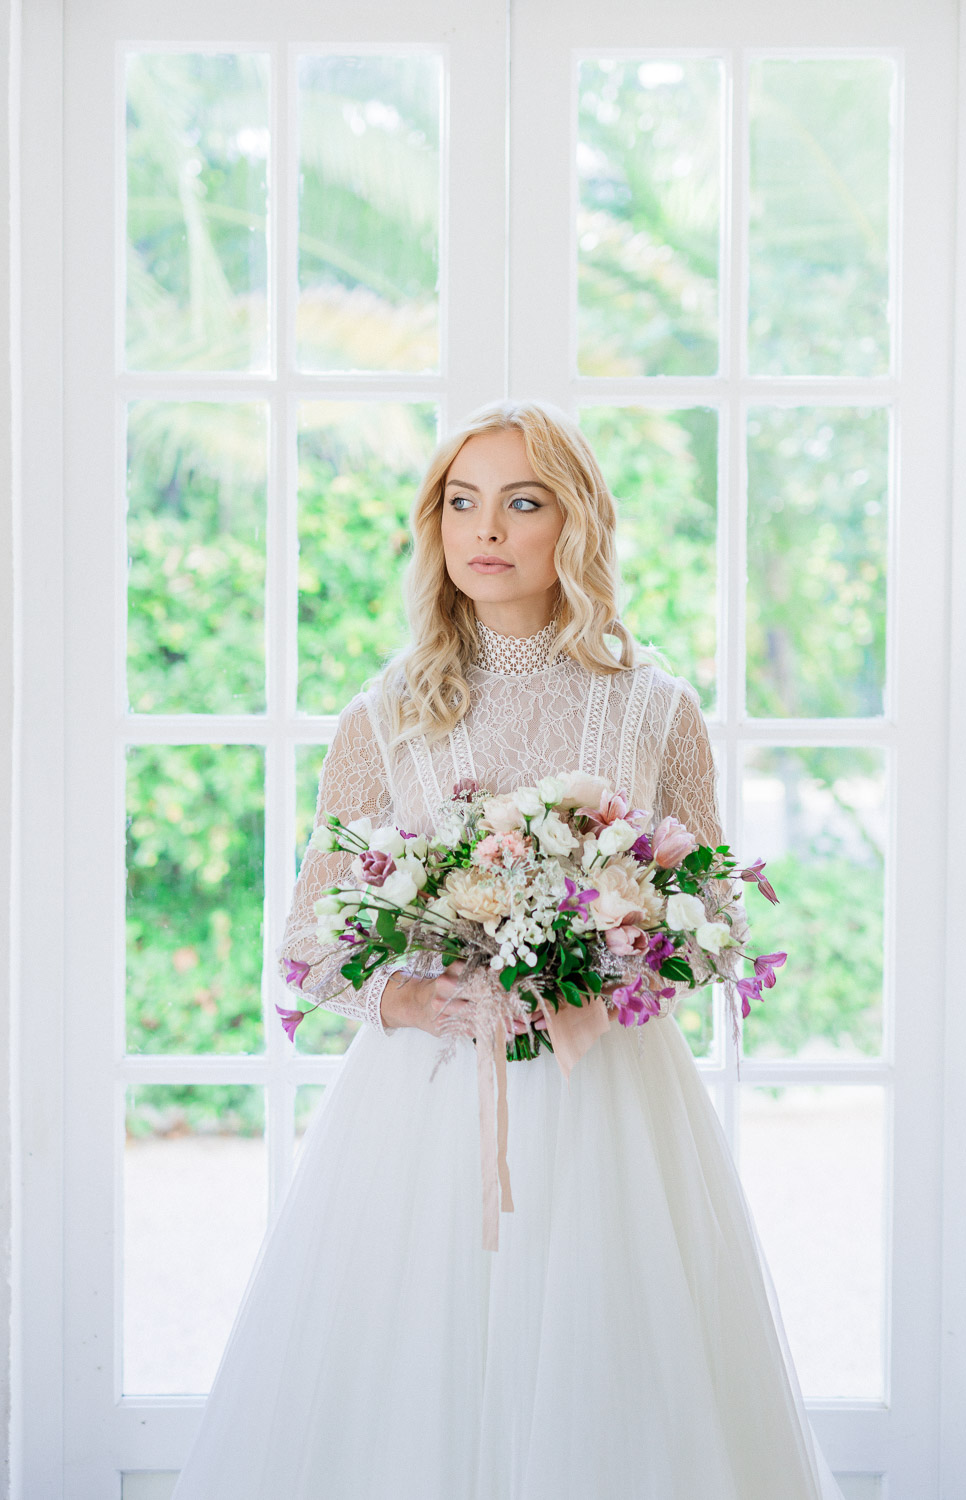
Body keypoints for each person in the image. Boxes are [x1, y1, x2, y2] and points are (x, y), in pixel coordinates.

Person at [172, 400, 844, 1499]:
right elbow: (308, 938)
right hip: (426, 1105)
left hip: (610, 1101)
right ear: (435, 526)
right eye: (461, 501)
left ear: (571, 525)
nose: (486, 529)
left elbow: (713, 923)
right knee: (414, 1381)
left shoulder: (653, 709)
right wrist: (408, 1000)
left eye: (521, 502)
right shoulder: (386, 713)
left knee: (619, 1370)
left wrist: (612, 956)